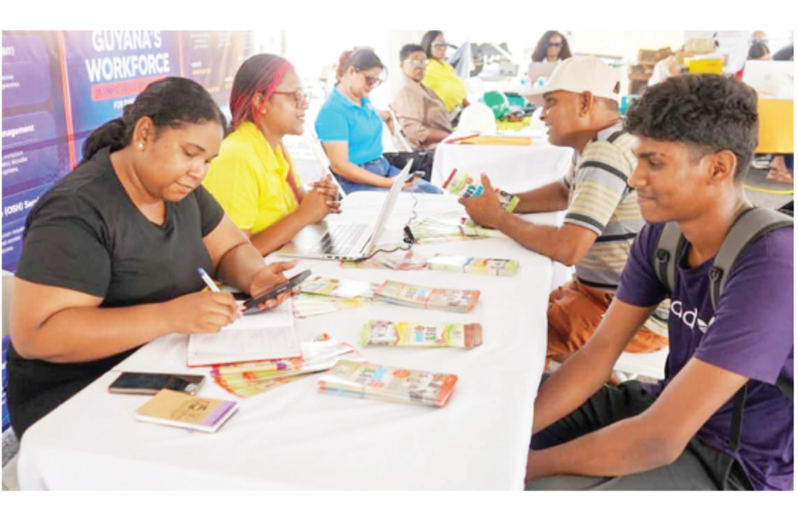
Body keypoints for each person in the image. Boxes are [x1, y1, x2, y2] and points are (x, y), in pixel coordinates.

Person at [525, 74, 793, 491]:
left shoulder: (773, 266)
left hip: (734, 465)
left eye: (654, 162)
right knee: (504, 407)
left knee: (537, 491)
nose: (635, 178)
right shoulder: (664, 234)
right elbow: (598, 356)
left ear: (718, 167)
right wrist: (513, 433)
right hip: (662, 409)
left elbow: (659, 439)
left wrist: (525, 466)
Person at [6, 77, 300, 438]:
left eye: (208, 161)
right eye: (190, 154)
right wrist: (170, 316)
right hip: (78, 395)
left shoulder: (181, 190)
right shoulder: (76, 211)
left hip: (159, 363)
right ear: (144, 134)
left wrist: (257, 277)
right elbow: (38, 336)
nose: (199, 172)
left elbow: (231, 248)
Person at [459, 56, 668, 368]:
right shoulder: (604, 139)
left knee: (511, 339)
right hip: (602, 293)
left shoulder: (606, 151)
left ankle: (553, 407)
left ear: (585, 102)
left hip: (631, 313)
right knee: (516, 305)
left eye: (551, 103)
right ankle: (593, 382)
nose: (542, 115)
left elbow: (568, 248)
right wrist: (502, 202)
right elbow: (563, 192)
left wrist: (498, 218)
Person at [202, 54, 341, 256]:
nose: (304, 105)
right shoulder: (236, 157)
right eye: (294, 96)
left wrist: (321, 201)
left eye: (303, 95)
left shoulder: (275, 147)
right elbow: (231, 258)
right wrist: (303, 215)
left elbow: (299, 205)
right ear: (261, 101)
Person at [315, 48, 442, 195]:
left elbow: (364, 113)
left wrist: (386, 115)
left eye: (376, 80)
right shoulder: (333, 112)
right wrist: (386, 183)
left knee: (435, 194)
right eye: (370, 79)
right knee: (421, 202)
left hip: (382, 167)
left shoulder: (360, 98)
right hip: (356, 181)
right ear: (351, 72)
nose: (372, 85)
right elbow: (340, 165)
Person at [391, 44, 453, 152]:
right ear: (402, 66)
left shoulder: (422, 87)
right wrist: (449, 137)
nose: (420, 66)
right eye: (414, 61)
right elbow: (414, 131)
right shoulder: (407, 90)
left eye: (423, 61)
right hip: (429, 151)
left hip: (444, 144)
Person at [420, 31, 469, 122]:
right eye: (438, 45)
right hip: (440, 118)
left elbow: (458, 91)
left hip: (457, 113)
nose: (443, 48)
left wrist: (469, 106)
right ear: (428, 46)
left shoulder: (446, 66)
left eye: (445, 44)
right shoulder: (426, 67)